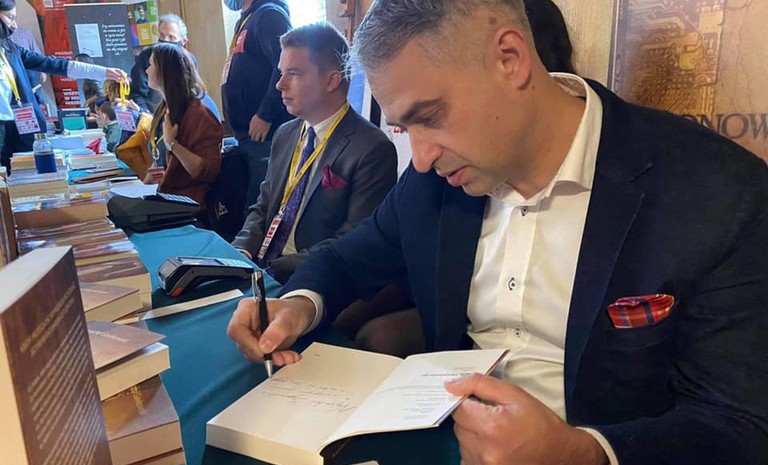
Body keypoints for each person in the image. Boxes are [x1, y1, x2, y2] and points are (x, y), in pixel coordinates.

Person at [227, 1, 768, 464]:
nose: (420, 157)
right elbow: (348, 258)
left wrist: (584, 452)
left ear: (510, 58)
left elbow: (738, 423)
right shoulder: (432, 182)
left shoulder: (719, 193)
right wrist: (298, 304)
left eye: (429, 116)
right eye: (404, 128)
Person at [231, 23, 397, 284]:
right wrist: (241, 251)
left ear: (331, 80)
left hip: (313, 278)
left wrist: (272, 268)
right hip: (261, 265)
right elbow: (263, 206)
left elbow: (353, 239)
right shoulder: (285, 134)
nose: (280, 85)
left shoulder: (371, 148)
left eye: (293, 74)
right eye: (281, 73)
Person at [0, 0, 126, 172]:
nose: (14, 25)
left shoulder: (10, 49)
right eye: (10, 18)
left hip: (19, 125)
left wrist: (103, 72)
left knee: (23, 170)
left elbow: (55, 64)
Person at [221, 0, 292, 208]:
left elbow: (283, 67)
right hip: (247, 135)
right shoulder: (246, 20)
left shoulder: (269, 15)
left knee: (260, 209)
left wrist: (265, 114)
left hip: (266, 134)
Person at [144, 42, 222, 221]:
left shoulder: (199, 114)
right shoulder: (163, 109)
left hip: (189, 206)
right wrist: (153, 178)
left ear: (165, 71)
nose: (147, 70)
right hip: (165, 197)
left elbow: (207, 172)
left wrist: (173, 144)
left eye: (151, 65)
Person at [129, 14, 218, 117]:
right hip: (151, 115)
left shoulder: (189, 61)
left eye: (171, 37)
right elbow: (137, 92)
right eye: (162, 35)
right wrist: (145, 116)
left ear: (183, 41)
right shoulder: (147, 56)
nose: (165, 40)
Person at [9, 24, 45, 105]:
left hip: (30, 72)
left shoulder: (25, 33)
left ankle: (40, 111)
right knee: (16, 101)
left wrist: (43, 71)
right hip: (10, 74)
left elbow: (36, 53)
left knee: (37, 97)